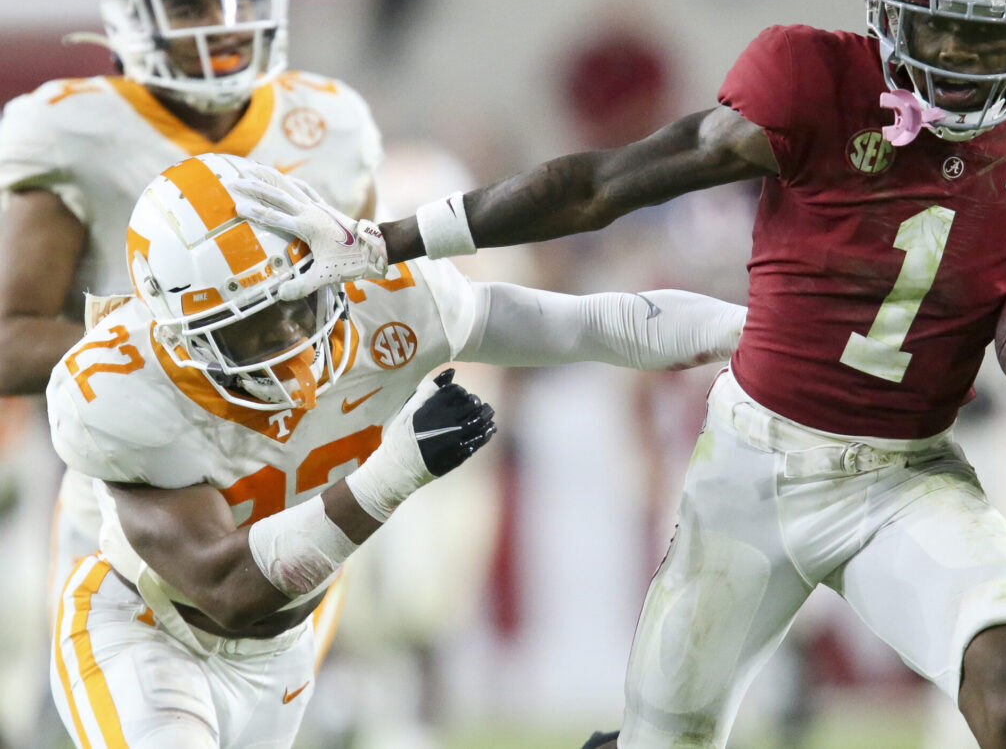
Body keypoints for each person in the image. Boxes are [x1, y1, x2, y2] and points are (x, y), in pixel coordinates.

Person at [233, 0, 1006, 749]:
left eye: (990, 36)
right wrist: (392, 237)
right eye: (940, 29)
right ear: (888, 11)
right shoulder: (814, 83)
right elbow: (602, 184)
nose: (964, 59)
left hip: (908, 478)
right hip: (752, 471)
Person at [45, 151, 746, 748]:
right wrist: (392, 475)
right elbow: (223, 587)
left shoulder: (385, 295)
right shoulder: (116, 389)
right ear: (182, 335)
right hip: (149, 627)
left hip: (284, 645)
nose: (290, 339)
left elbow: (595, 325)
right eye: (251, 327)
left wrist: (777, 337)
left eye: (297, 299)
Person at [0, 0, 383, 655]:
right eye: (192, 1)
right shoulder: (78, 128)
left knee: (269, 710)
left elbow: (371, 301)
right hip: (138, 474)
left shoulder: (332, 122)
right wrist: (173, 346)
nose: (225, 19)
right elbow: (8, 341)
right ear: (130, 17)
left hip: (290, 468)